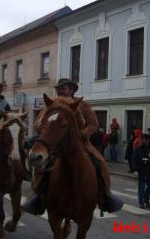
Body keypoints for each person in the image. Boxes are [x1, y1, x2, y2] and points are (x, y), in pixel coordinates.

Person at [23, 78, 123, 215]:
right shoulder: (50, 105)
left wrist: (82, 134)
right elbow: (38, 124)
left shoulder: (82, 105)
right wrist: (46, 128)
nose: (60, 90)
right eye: (58, 88)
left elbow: (93, 123)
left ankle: (105, 195)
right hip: (56, 145)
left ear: (71, 90)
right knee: (42, 166)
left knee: (99, 161)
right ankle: (38, 196)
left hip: (79, 143)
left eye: (63, 88)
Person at [132, 134, 150, 209]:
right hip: (141, 170)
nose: (145, 141)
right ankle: (141, 202)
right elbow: (134, 159)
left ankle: (146, 199)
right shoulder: (138, 149)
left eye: (146, 139)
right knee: (141, 187)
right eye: (143, 139)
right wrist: (135, 170)